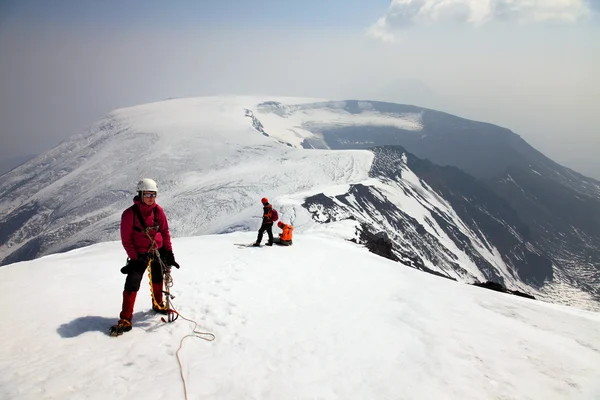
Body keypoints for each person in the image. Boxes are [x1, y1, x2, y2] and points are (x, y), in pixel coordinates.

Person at [110, 178, 180, 336]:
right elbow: (126, 240)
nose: (150, 198)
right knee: (132, 283)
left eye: (153, 195)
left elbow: (165, 232)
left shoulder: (158, 211)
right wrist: (135, 258)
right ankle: (126, 318)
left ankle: (158, 304)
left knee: (158, 277)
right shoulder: (129, 214)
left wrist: (168, 253)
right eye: (147, 194)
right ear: (140, 194)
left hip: (157, 250)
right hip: (139, 254)